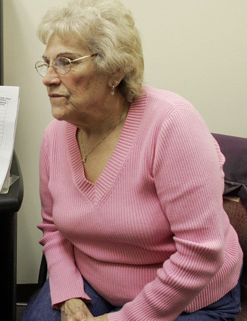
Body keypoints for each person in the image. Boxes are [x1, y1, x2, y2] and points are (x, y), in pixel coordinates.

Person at [22, 0, 243, 320]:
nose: (49, 78)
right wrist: (69, 293)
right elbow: (53, 229)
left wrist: (122, 319)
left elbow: (200, 254)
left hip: (189, 297)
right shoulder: (55, 136)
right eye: (47, 63)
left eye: (66, 62)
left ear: (115, 71)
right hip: (93, 285)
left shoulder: (172, 124)